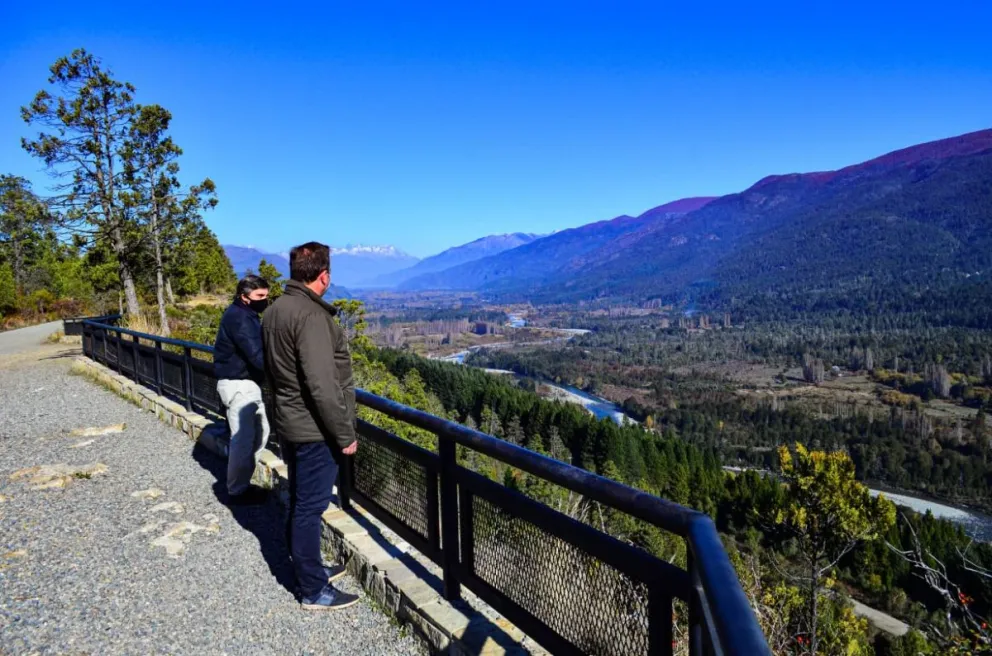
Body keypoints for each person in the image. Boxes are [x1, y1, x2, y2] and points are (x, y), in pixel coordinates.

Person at [262, 242, 360, 611]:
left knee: (301, 502)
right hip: (314, 429)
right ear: (325, 276)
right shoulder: (312, 316)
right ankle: (313, 589)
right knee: (309, 507)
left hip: (289, 421)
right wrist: (345, 433)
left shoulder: (274, 311)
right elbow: (322, 384)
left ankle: (311, 570)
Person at [213, 274, 271, 505]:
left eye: (266, 295)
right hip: (239, 385)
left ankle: (241, 483)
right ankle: (237, 490)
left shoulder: (243, 314)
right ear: (244, 296)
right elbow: (257, 355)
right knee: (244, 439)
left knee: (259, 433)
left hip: (244, 384)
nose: (265, 300)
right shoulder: (240, 318)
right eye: (260, 296)